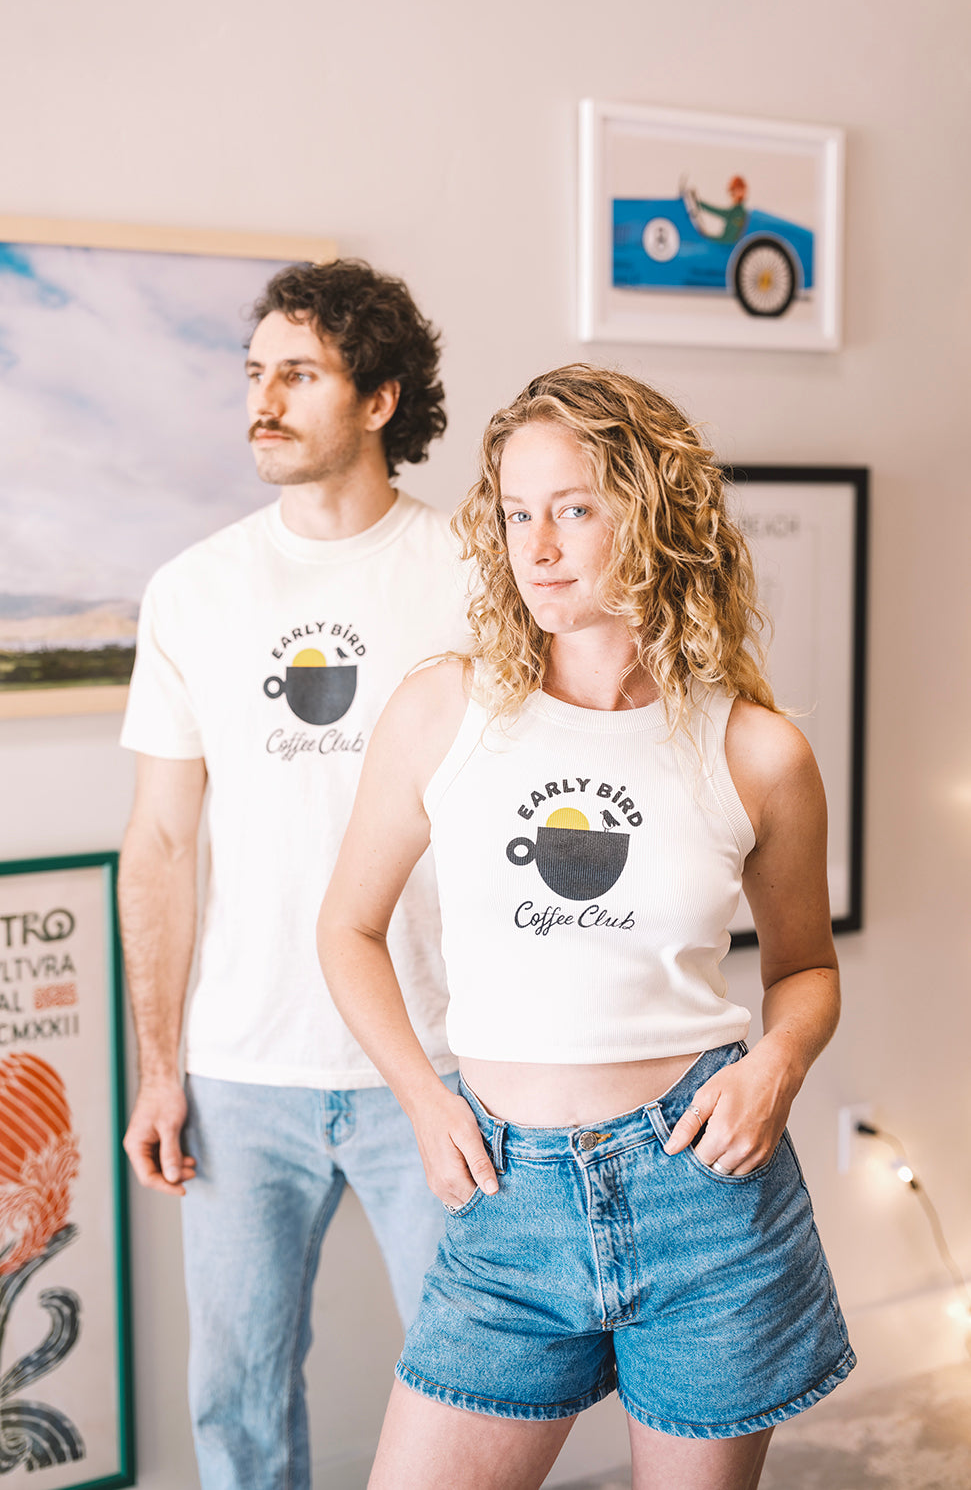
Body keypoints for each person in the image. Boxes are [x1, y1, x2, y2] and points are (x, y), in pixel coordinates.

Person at [318, 364, 856, 1490]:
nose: (538, 546)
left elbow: (802, 969)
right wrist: (424, 1099)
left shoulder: (756, 751)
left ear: (653, 515)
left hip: (702, 1197)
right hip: (505, 1206)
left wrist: (776, 1068)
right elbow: (347, 930)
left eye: (573, 508)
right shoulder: (445, 711)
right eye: (517, 513)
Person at [118, 259, 469, 1490]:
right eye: (254, 374)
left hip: (431, 1063)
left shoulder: (476, 577)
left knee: (474, 1395)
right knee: (237, 1406)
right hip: (240, 1074)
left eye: (298, 375)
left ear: (378, 399)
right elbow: (159, 845)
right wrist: (159, 1068)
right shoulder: (194, 591)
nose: (262, 401)